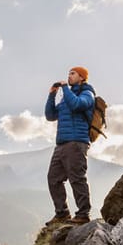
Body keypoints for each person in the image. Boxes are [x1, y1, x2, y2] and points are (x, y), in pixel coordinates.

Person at [43, 65, 95, 226]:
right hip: (61, 144)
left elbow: (78, 105)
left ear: (82, 77)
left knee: (77, 178)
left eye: (73, 74)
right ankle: (62, 213)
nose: (69, 76)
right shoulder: (66, 97)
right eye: (69, 74)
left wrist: (65, 88)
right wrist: (52, 94)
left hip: (77, 143)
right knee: (53, 178)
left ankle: (83, 214)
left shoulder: (88, 93)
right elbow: (50, 115)